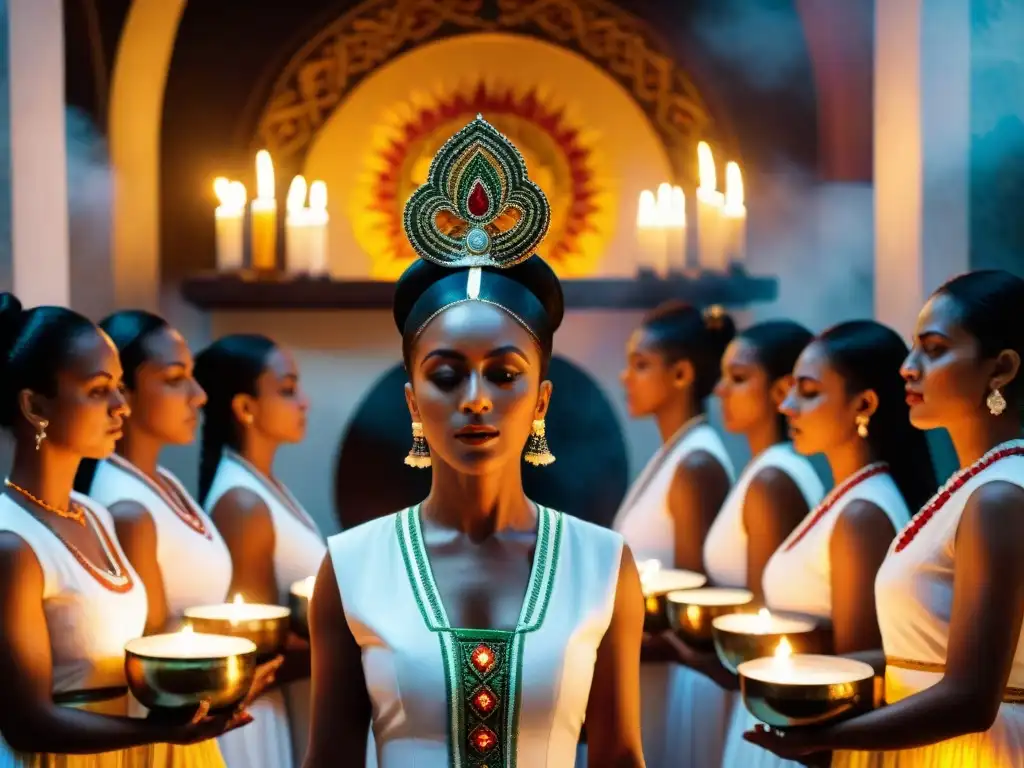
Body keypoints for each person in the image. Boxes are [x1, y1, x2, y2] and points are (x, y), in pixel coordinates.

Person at [303, 115, 645, 768]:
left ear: (541, 400)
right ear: (412, 401)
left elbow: (621, 756)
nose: (477, 398)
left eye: (505, 374)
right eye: (447, 375)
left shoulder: (602, 565)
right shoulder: (350, 567)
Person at [746, 269, 1024, 767]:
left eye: (933, 350)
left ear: (1000, 369)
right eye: (912, 349)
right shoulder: (972, 485)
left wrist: (832, 735)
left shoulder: (999, 496)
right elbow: (910, 657)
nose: (907, 368)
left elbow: (970, 700)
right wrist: (802, 671)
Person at [0, 294, 254, 766]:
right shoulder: (13, 543)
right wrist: (157, 732)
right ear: (35, 405)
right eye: (99, 390)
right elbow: (25, 719)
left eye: (119, 386)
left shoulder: (93, 515)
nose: (121, 406)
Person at [722, 319, 936, 768]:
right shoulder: (846, 498)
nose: (788, 406)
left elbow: (854, 676)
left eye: (809, 391)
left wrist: (778, 657)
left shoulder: (862, 514)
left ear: (864, 404)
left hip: (810, 740)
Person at [75, 310, 283, 767]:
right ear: (123, 391)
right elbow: (145, 651)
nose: (199, 395)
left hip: (213, 706)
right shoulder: (125, 508)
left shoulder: (163, 481)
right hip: (184, 721)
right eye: (175, 379)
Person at [652, 320, 821, 767]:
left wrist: (673, 645)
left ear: (781, 389)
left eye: (739, 378)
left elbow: (764, 629)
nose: (721, 390)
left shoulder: (771, 481)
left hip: (745, 694)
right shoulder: (761, 470)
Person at [614, 301, 736, 767]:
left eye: (641, 365)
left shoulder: (697, 463)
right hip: (651, 668)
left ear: (682, 373)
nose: (627, 377)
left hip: (677, 674)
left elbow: (695, 600)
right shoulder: (674, 452)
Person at [195, 333, 324, 768]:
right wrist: (353, 641)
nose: (303, 401)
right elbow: (255, 648)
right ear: (245, 407)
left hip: (289, 703)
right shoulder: (242, 502)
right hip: (259, 712)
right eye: (287, 390)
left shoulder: (264, 487)